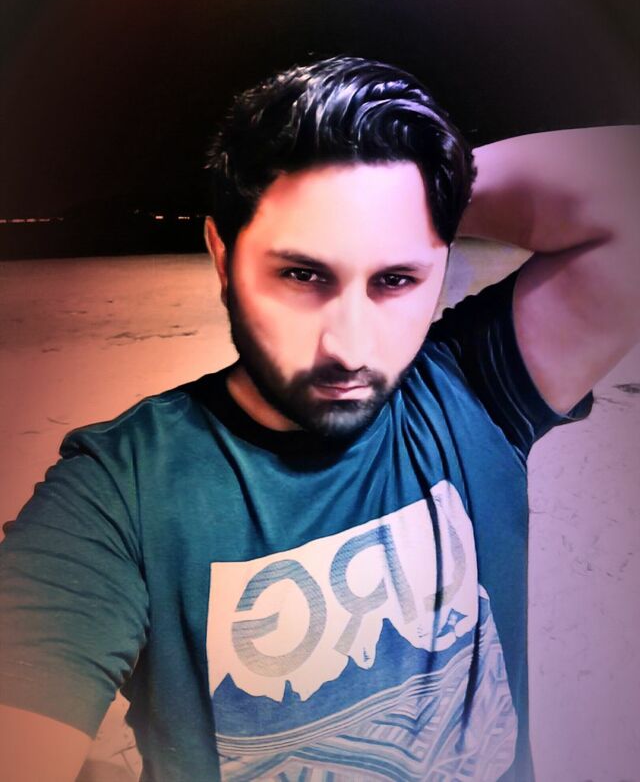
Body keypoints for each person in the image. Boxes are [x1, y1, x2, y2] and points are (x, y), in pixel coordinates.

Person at [0, 56, 638, 782]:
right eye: (303, 274)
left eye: (395, 279)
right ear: (222, 256)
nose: (350, 348)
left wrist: (421, 188)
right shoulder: (118, 494)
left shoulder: (474, 393)